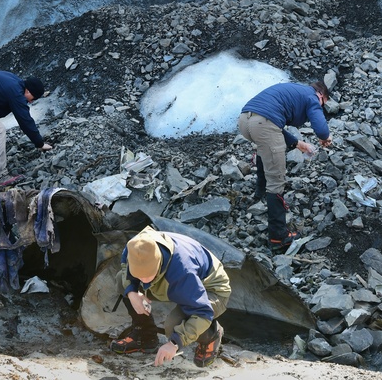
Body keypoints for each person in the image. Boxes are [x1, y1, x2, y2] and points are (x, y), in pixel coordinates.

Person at [109, 227, 231, 369]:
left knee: (172, 326)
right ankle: (145, 335)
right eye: (139, 275)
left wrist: (174, 343)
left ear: (158, 262)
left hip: (211, 291)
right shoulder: (135, 247)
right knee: (122, 281)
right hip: (170, 283)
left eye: (147, 275)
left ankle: (211, 335)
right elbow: (126, 270)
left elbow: (203, 311)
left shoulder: (183, 271)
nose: (143, 280)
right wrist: (132, 292)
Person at [238, 81, 333, 253]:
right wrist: (325, 138)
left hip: (245, 120)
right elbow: (321, 129)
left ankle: (260, 193)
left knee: (264, 150)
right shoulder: (312, 96)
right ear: (321, 95)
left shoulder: (295, 91)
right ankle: (278, 237)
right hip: (263, 124)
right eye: (323, 103)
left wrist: (299, 144)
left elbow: (274, 129)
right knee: (276, 180)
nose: (321, 106)